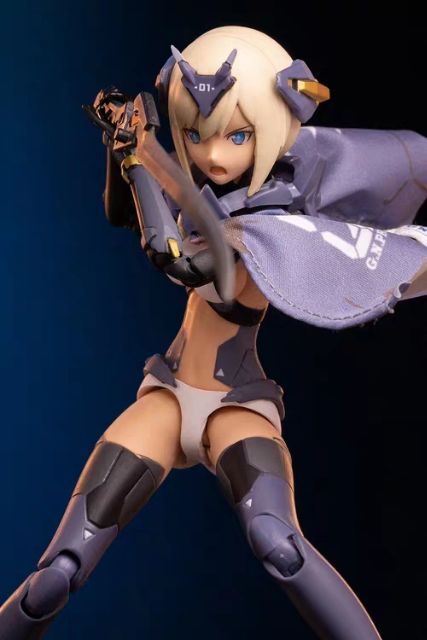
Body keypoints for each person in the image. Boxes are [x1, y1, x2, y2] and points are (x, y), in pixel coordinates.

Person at [1, 25, 427, 640]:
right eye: (196, 134)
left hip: (237, 404)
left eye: (237, 134)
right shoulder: (204, 200)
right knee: (57, 573)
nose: (212, 155)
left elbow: (174, 258)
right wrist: (123, 148)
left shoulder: (271, 229)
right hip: (167, 398)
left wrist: (139, 157)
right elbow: (122, 213)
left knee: (279, 545)